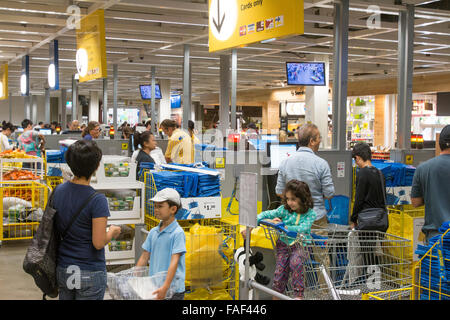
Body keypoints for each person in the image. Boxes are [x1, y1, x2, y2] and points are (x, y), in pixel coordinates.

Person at [53, 140, 121, 300]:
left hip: (64, 268)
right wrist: (112, 231)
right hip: (89, 271)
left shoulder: (58, 191)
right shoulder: (97, 200)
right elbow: (98, 242)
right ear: (97, 166)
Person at [246, 180, 316, 299]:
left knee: (296, 263)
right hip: (283, 245)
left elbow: (303, 228)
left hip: (301, 245)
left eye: (293, 199)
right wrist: (254, 221)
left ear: (303, 199)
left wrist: (284, 226)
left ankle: (298, 295)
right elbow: (267, 214)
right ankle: (276, 296)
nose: (290, 202)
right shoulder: (284, 209)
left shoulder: (310, 214)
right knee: (279, 273)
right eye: (288, 199)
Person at [275, 123, 334, 232]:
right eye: (319, 138)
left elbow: (279, 192)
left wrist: (293, 199)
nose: (320, 141)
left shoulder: (285, 163)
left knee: (295, 248)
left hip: (292, 220)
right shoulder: (322, 164)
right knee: (318, 249)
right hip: (316, 220)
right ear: (311, 141)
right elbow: (329, 194)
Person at [136, 188, 186, 300]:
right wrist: (134, 280)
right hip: (155, 287)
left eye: (160, 206)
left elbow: (174, 261)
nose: (156, 209)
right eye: (155, 206)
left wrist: (165, 287)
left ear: (173, 209)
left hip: (173, 290)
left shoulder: (177, 233)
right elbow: (144, 257)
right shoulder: (153, 232)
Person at [350, 142, 387, 279]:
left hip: (366, 220)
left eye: (355, 160)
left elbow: (358, 199)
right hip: (380, 221)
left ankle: (370, 285)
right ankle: (375, 283)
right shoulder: (380, 173)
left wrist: (353, 219)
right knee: (375, 253)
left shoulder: (362, 174)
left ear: (358, 158)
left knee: (367, 254)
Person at [411, 125, 450, 244]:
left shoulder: (423, 168)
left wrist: (432, 195)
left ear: (439, 144)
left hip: (435, 240)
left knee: (434, 263)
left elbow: (415, 202)